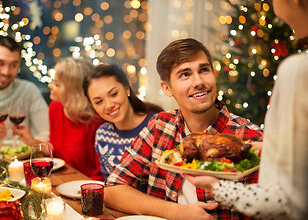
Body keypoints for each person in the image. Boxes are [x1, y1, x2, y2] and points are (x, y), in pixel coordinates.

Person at [183, 0, 308, 219]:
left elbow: (289, 203)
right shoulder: (161, 125)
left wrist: (215, 186)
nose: (277, 11)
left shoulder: (299, 70)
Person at [102, 38, 263, 220]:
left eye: (204, 70)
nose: (199, 81)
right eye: (185, 74)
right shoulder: (160, 126)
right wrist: (177, 213)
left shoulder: (251, 138)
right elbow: (112, 189)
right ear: (167, 88)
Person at [83, 64, 163, 181]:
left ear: (127, 89)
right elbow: (109, 183)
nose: (109, 105)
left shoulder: (158, 126)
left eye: (114, 94)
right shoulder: (103, 135)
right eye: (99, 102)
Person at [48, 58, 104, 180]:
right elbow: (57, 154)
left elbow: (101, 174)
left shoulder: (96, 120)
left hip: (86, 189)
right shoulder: (55, 108)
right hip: (62, 180)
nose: (49, 85)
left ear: (73, 91)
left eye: (56, 84)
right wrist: (31, 141)